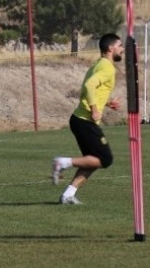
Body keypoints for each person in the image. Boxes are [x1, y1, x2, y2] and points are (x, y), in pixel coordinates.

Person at [51, 33, 123, 204]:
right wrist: (94, 108)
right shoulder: (107, 68)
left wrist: (106, 103)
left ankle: (68, 195)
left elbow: (89, 87)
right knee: (105, 159)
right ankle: (62, 163)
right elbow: (90, 85)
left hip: (79, 120)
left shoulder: (99, 64)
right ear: (110, 48)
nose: (122, 49)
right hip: (85, 121)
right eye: (120, 45)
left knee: (92, 161)